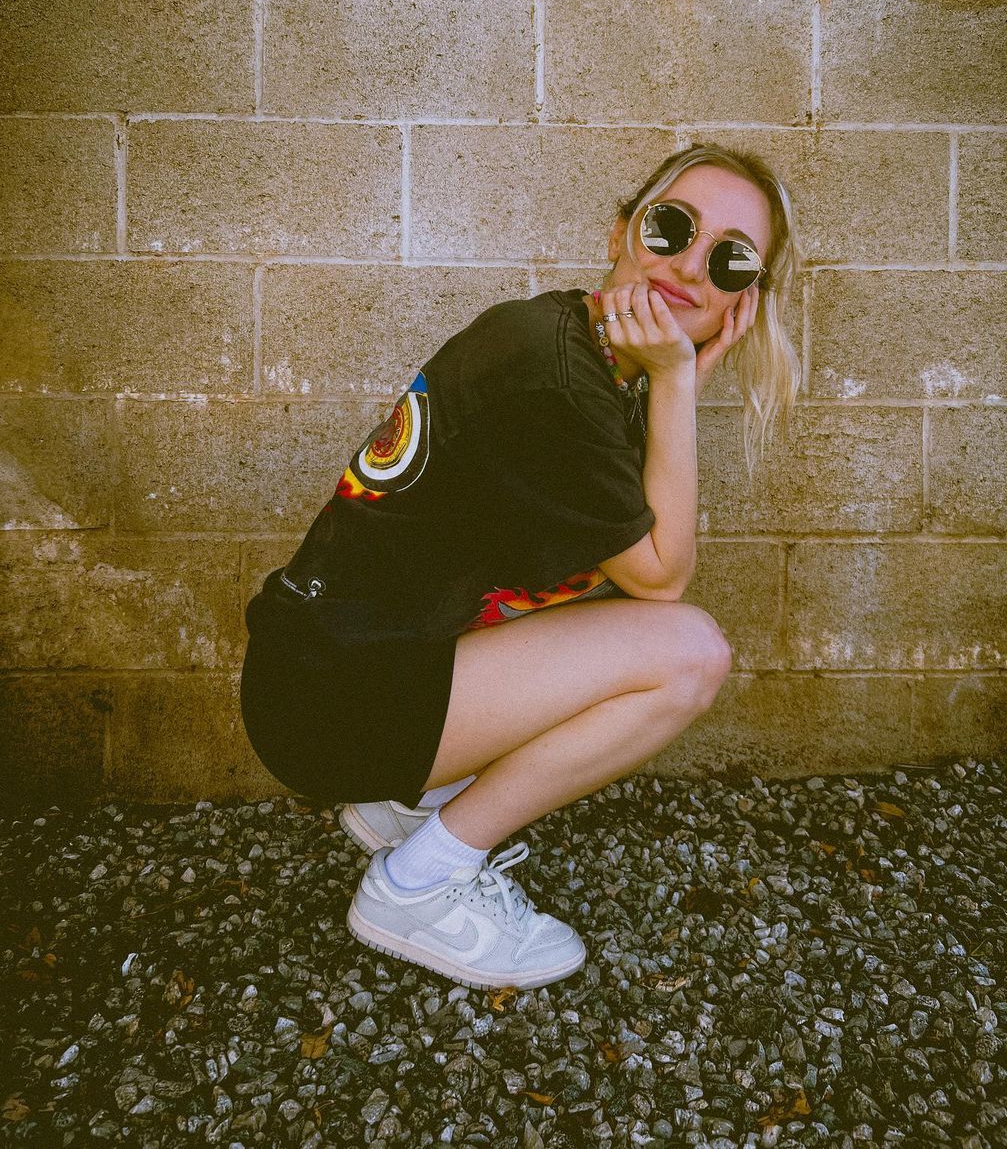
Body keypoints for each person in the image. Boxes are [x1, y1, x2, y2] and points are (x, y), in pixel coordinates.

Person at [239, 141, 803, 991]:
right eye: (672, 228)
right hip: (329, 706)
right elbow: (661, 578)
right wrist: (680, 383)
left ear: (742, 300)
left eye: (729, 260)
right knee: (689, 655)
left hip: (334, 675)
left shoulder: (581, 355)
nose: (690, 265)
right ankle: (418, 885)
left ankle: (405, 803)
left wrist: (668, 379)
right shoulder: (556, 379)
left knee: (616, 616)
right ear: (620, 232)